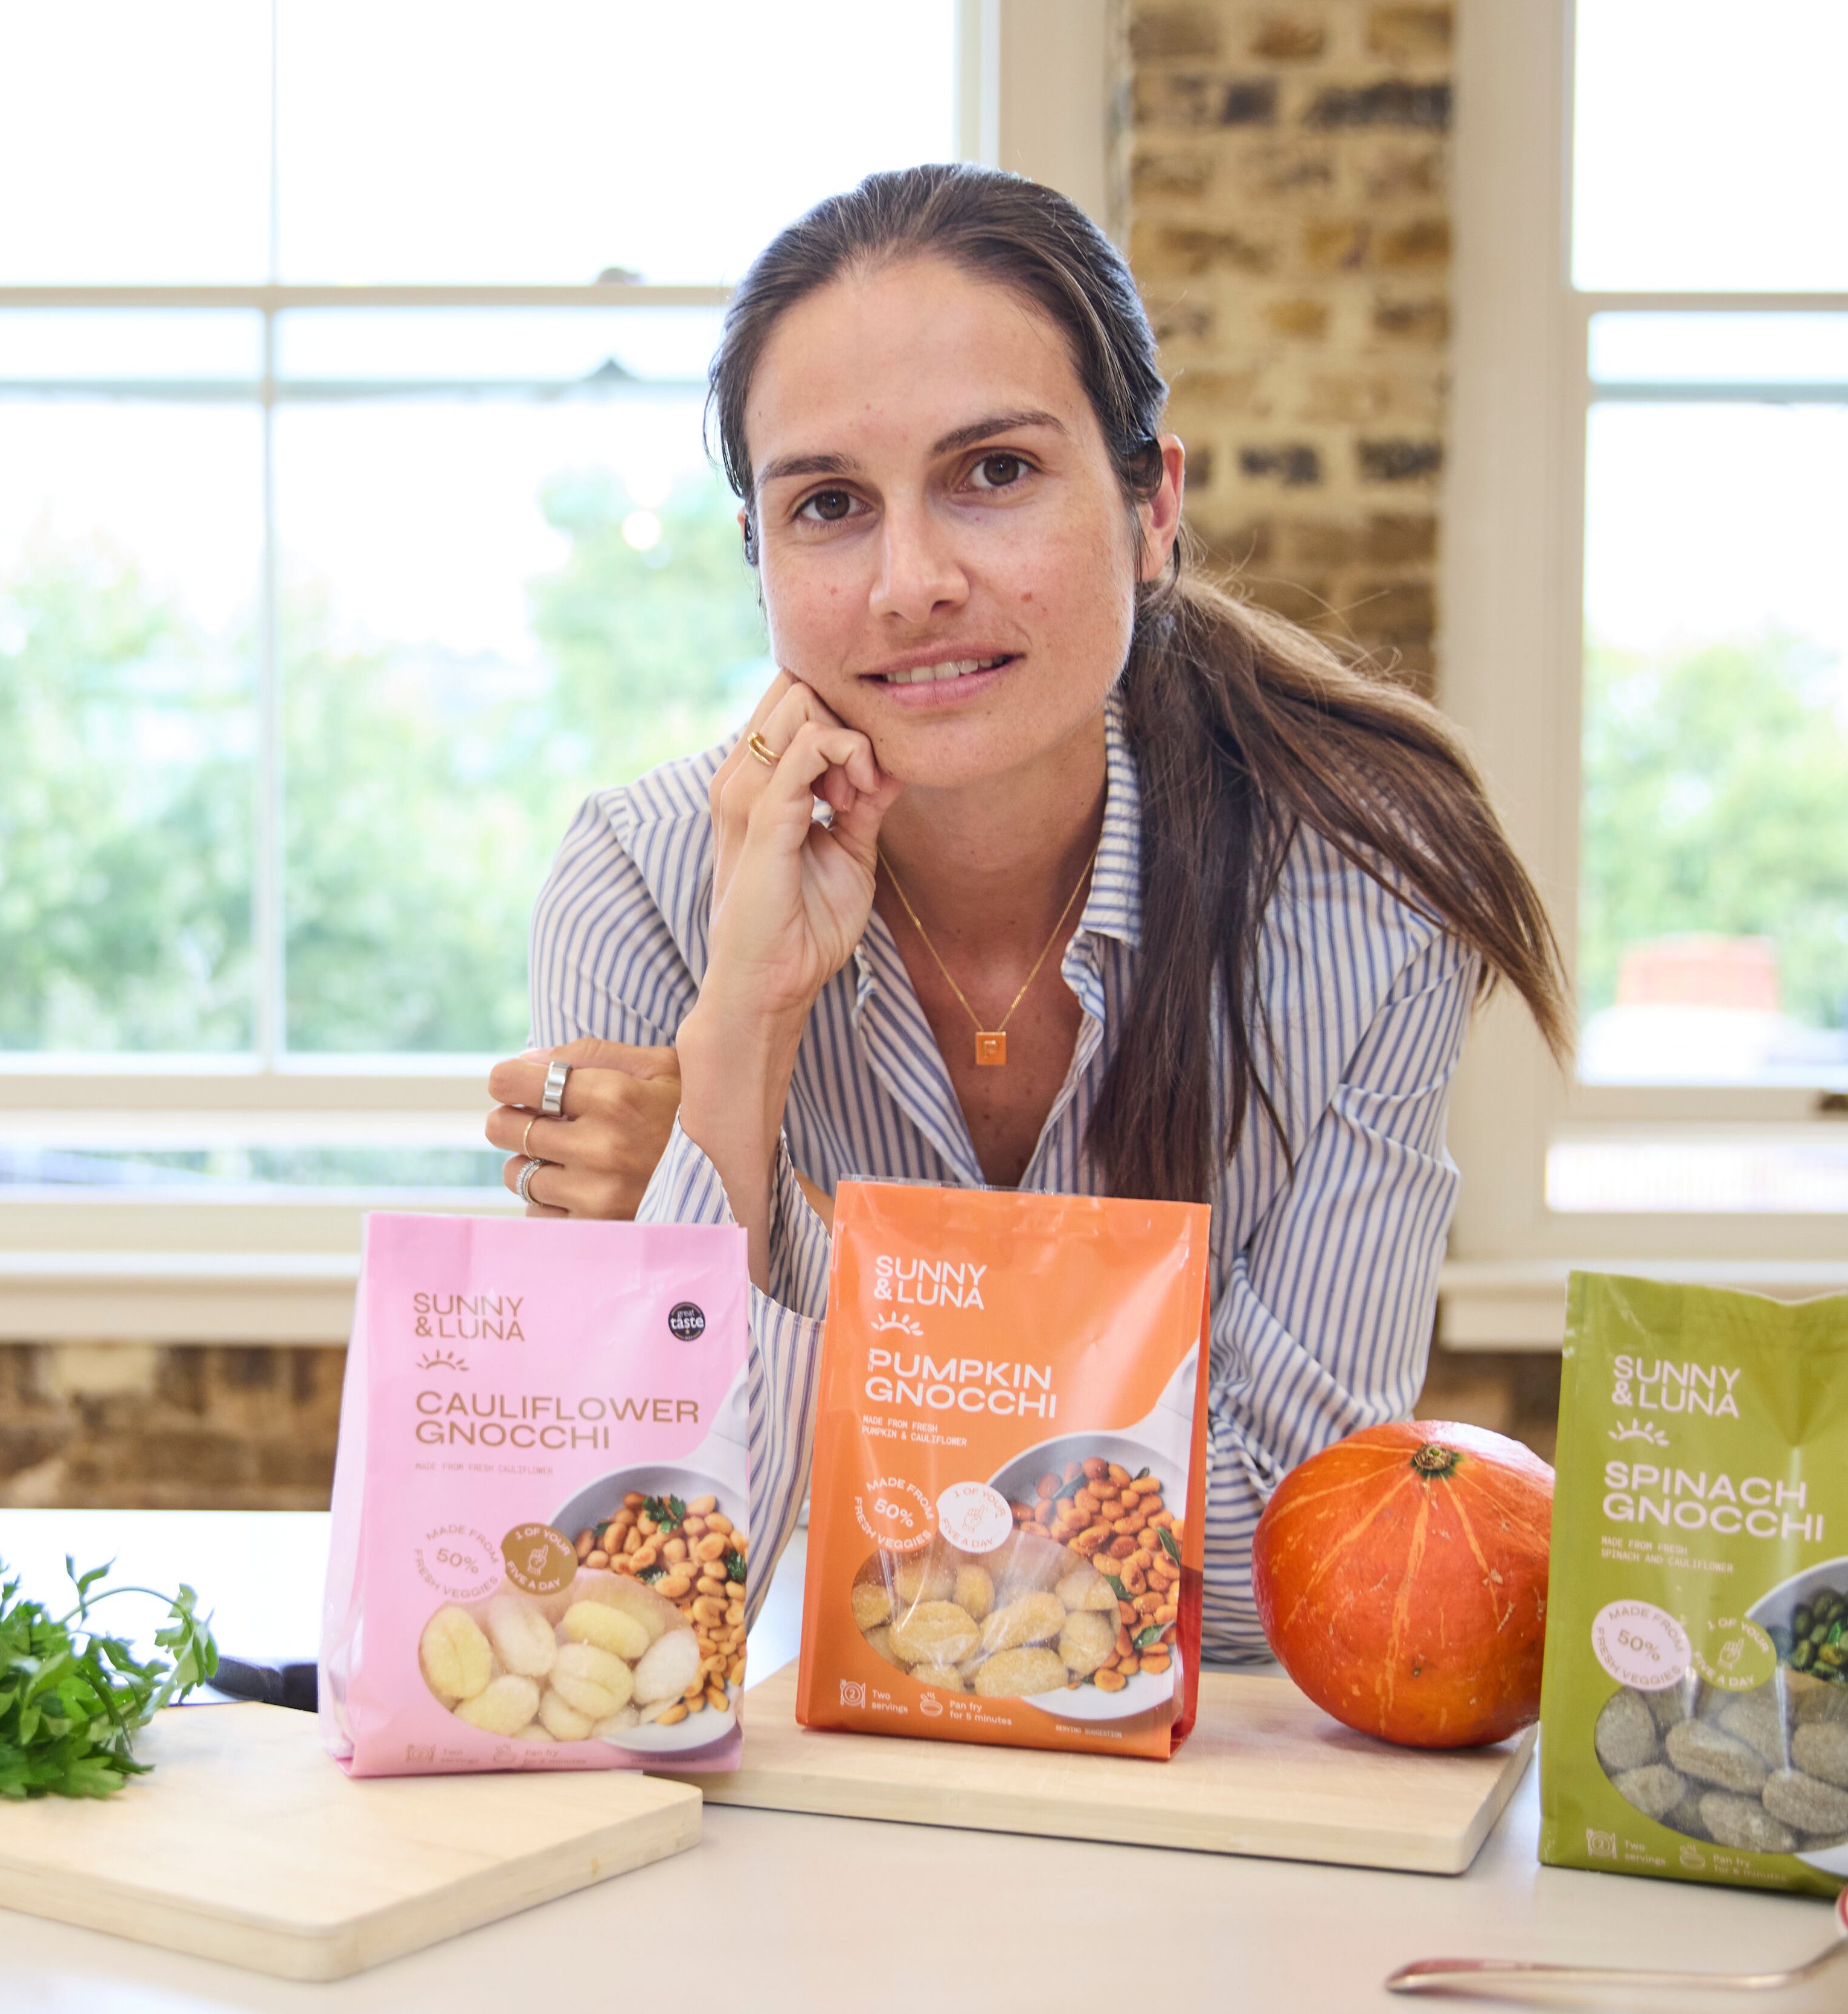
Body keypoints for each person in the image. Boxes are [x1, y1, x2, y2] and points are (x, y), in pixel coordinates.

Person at [482, 163, 1570, 1660]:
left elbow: (1273, 1574)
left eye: (993, 472)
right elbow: (632, 1590)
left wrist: (760, 1230)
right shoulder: (645, 884)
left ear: (1151, 506)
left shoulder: (1363, 897)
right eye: (828, 506)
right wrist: (738, 1042)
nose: (912, 581)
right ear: (762, 562)